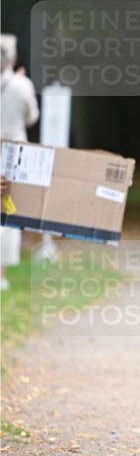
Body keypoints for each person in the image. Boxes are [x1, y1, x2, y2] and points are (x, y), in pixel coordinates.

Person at [0, 34, 39, 291]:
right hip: (13, 151)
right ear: (12, 57)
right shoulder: (21, 85)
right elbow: (32, 117)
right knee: (8, 210)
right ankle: (1, 274)